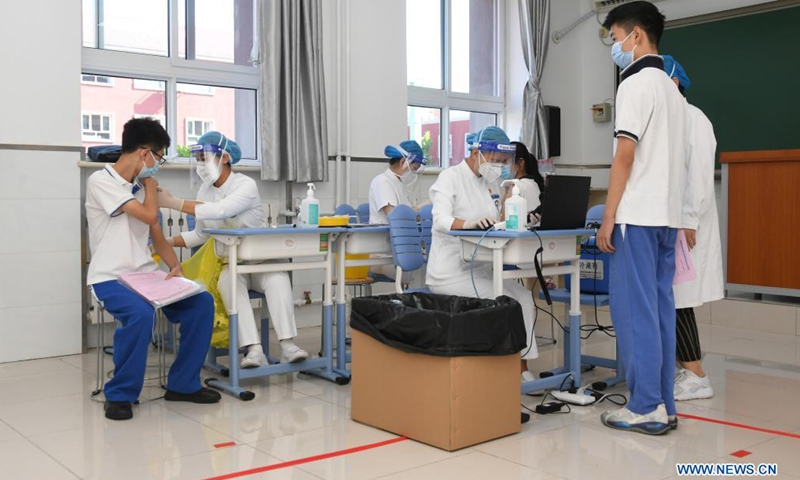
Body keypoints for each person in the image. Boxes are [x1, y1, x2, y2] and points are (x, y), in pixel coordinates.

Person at [85, 118, 220, 421]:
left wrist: (176, 268)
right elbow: (148, 215)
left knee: (201, 303)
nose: (158, 165)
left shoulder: (139, 186)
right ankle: (120, 394)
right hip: (111, 277)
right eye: (158, 157)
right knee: (140, 314)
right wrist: (149, 185)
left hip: (145, 275)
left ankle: (183, 385)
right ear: (145, 153)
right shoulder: (101, 182)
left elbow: (156, 234)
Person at [597, 1, 688, 435]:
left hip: (638, 215)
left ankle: (645, 404)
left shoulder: (634, 85)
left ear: (636, 35)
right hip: (667, 217)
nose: (615, 47)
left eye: (615, 38)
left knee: (635, 312)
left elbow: (625, 156)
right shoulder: (673, 91)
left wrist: (608, 216)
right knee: (660, 310)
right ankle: (665, 404)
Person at [157, 131, 309, 368]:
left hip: (261, 263)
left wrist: (173, 203)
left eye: (204, 157)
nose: (200, 164)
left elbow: (221, 211)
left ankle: (288, 346)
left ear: (225, 158)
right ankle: (254, 350)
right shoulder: (204, 191)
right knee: (227, 284)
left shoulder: (246, 185)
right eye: (197, 159)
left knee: (279, 279)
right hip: (230, 264)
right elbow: (200, 234)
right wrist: (165, 241)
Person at [426, 126, 539, 381]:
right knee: (509, 302)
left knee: (523, 296)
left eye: (502, 162)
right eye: (495, 160)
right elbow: (439, 219)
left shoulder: (489, 183)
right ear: (477, 152)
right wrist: (467, 224)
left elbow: (497, 221)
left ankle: (522, 366)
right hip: (450, 273)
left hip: (481, 269)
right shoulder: (450, 177)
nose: (499, 166)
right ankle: (509, 369)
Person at [662, 55, 723, 401]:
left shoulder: (693, 118)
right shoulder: (672, 120)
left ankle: (696, 374)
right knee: (672, 298)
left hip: (687, 225)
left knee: (680, 298)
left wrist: (688, 221)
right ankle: (684, 369)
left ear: (673, 82)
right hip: (672, 223)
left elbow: (699, 174)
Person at [368, 139, 427, 225]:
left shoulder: (398, 183)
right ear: (403, 162)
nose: (414, 174)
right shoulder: (382, 182)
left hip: (398, 235)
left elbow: (408, 215)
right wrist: (420, 208)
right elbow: (395, 217)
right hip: (382, 237)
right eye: (414, 168)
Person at [500, 141, 545, 223]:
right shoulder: (534, 184)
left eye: (506, 162)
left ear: (521, 163)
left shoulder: (515, 186)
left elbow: (503, 222)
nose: (502, 166)